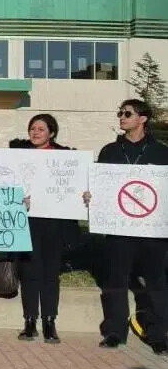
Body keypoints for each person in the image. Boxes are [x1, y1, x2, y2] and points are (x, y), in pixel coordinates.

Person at [93, 99, 168, 355]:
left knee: (156, 284)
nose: (121, 117)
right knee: (115, 282)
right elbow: (100, 186)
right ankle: (115, 332)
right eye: (120, 113)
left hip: (153, 231)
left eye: (127, 113)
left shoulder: (161, 152)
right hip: (118, 230)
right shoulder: (109, 151)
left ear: (143, 119)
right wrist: (91, 197)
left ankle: (158, 335)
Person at [9, 114, 82, 344]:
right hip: (27, 221)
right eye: (32, 128)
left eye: (41, 128)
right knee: (29, 274)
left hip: (54, 223)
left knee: (50, 274)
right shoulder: (16, 154)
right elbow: (5, 179)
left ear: (51, 133)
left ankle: (50, 322)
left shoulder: (65, 157)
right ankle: (29, 321)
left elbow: (76, 185)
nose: (35, 132)